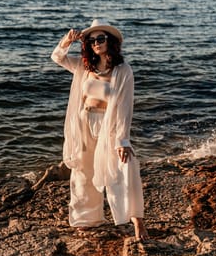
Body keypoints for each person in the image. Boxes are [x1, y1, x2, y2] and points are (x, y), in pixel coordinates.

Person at [51, 19, 148, 241]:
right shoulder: (84, 66)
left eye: (100, 38)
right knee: (84, 172)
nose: (96, 43)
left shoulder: (123, 71)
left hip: (109, 125)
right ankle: (86, 218)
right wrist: (68, 40)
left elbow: (125, 106)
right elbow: (57, 57)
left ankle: (137, 221)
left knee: (124, 169)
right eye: (92, 40)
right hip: (84, 122)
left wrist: (123, 140)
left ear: (110, 41)